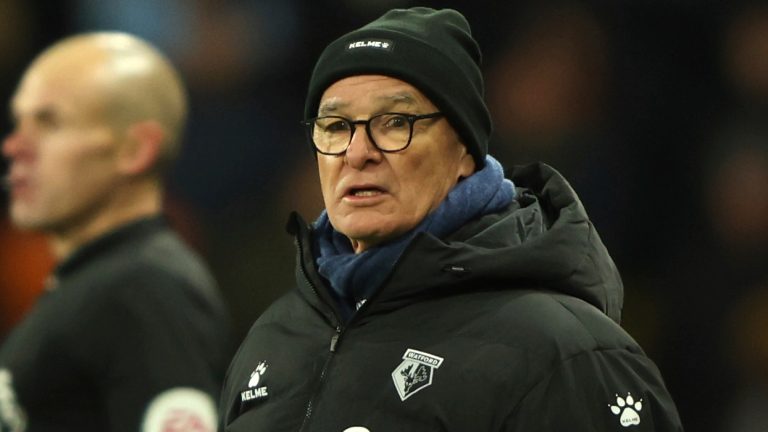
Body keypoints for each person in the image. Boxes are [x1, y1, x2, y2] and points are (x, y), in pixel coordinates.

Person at [219, 7, 683, 431]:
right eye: (336, 127)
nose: (358, 153)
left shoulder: (562, 353)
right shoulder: (273, 339)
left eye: (395, 123)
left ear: (464, 151)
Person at [0, 32, 231, 431]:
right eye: (19, 121)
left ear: (135, 150)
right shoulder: (95, 282)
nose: (14, 146)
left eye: (49, 122)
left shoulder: (146, 291)